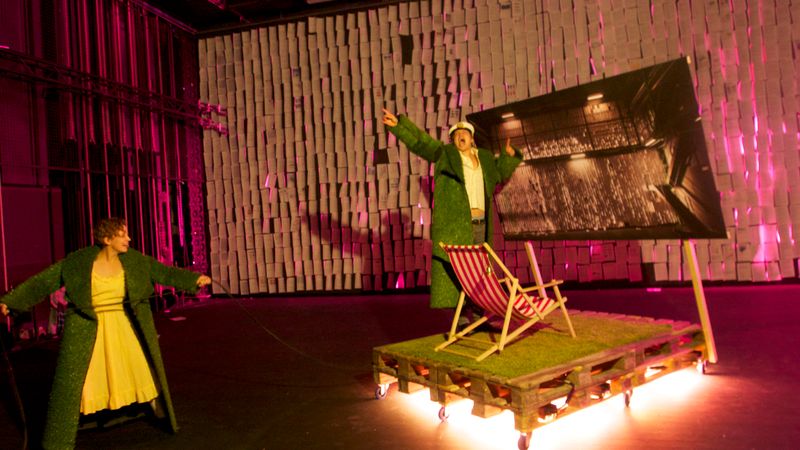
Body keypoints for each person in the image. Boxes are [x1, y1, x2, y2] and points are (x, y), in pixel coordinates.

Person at [0, 217, 211, 449]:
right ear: (107, 239)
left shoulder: (134, 260)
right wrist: (12, 301)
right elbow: (43, 282)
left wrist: (194, 279)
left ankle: (158, 410)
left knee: (139, 368)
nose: (128, 239)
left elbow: (164, 272)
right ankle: (62, 433)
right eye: (122, 235)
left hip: (122, 325)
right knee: (82, 380)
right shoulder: (78, 262)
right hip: (88, 327)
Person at [382, 109, 523, 310]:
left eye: (464, 133)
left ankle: (479, 312)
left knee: (480, 271)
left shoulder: (484, 158)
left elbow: (499, 175)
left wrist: (509, 157)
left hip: (480, 224)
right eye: (455, 135)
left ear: (472, 139)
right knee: (460, 272)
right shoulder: (445, 155)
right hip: (456, 225)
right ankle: (463, 315)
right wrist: (399, 126)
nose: (460, 136)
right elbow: (421, 142)